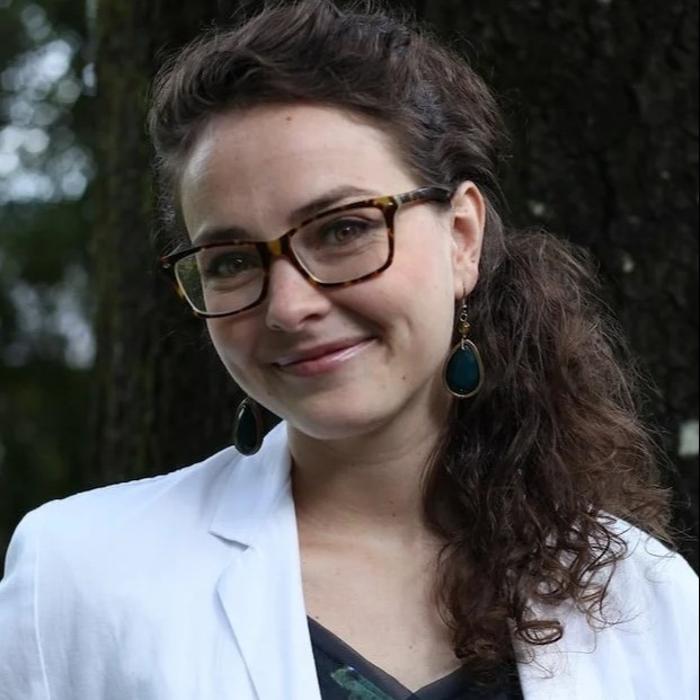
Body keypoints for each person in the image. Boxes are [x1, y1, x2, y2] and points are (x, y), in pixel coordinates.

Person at [0, 1, 697, 698]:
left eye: (343, 230)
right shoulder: (79, 574)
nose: (288, 306)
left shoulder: (650, 599)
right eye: (231, 261)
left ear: (461, 236)